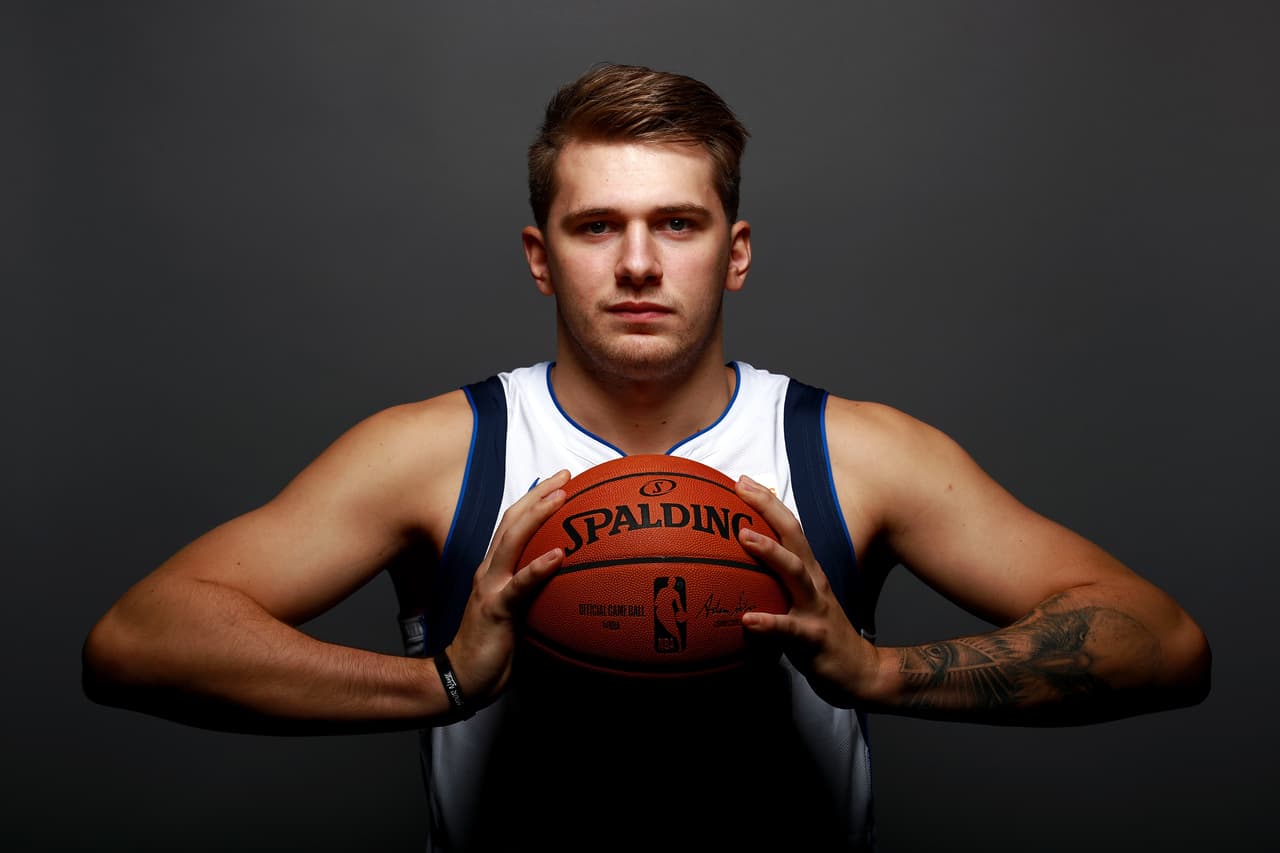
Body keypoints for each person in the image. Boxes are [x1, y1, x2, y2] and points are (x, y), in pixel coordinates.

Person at [83, 63, 1211, 852]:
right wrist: (440, 682)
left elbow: (1162, 643)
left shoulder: (852, 455)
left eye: (677, 223)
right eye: (595, 226)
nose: (636, 263)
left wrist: (879, 673)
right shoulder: (438, 454)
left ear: (735, 251)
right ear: (541, 256)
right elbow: (137, 641)